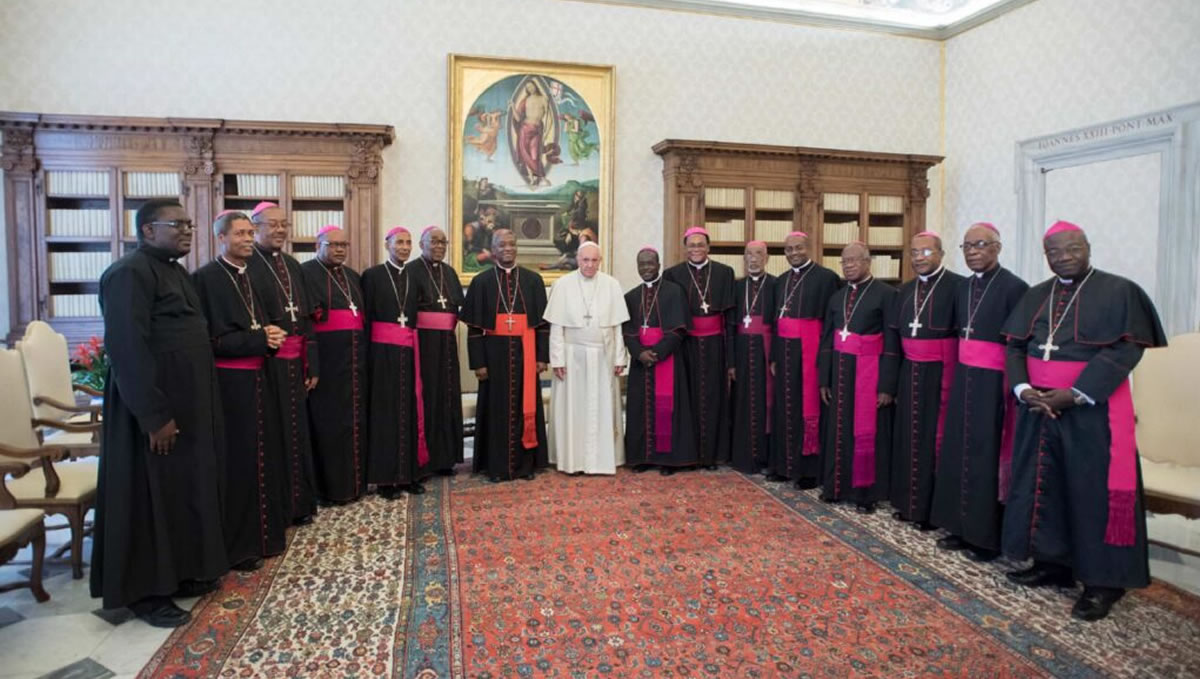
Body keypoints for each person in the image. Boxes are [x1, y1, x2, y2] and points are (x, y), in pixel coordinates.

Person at [1001, 220, 1166, 622]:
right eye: (1054, 252)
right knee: (1045, 484)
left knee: (1091, 492)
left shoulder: (1120, 291)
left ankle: (1103, 582)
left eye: (1072, 249)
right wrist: (1023, 389)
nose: (1064, 257)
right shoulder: (1037, 295)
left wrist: (1077, 393)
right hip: (1039, 407)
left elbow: (1126, 350)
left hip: (1092, 410)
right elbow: (1015, 347)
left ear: (1088, 247)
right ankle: (1052, 562)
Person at [91, 199, 226, 627]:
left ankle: (179, 573)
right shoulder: (128, 273)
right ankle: (146, 594)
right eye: (176, 224)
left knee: (177, 494)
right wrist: (154, 416)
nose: (187, 231)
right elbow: (127, 349)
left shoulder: (174, 270)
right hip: (150, 414)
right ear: (148, 230)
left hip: (184, 404)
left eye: (189, 224)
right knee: (148, 500)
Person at [192, 212, 289, 572]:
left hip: (260, 379)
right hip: (229, 387)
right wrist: (260, 338)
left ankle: (266, 535)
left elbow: (262, 325)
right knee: (239, 464)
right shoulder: (205, 279)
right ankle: (240, 546)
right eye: (240, 234)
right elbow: (210, 341)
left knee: (264, 457)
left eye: (250, 233)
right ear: (221, 238)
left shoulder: (252, 276)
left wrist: (271, 337)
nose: (248, 239)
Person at [930, 223, 1028, 562]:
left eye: (980, 245)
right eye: (967, 246)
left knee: (987, 456)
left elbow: (1018, 343)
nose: (973, 251)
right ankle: (960, 527)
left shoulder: (1015, 288)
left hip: (995, 385)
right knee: (959, 451)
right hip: (964, 379)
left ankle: (987, 537)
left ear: (997, 247)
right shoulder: (963, 287)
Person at [247, 201, 319, 526]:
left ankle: (300, 504)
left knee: (297, 433)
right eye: (272, 224)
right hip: (267, 365)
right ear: (255, 228)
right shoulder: (247, 265)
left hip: (295, 365)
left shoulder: (292, 264)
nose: (279, 230)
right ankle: (276, 509)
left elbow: (306, 320)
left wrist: (312, 363)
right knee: (273, 436)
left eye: (283, 225)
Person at [888, 231, 964, 530]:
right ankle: (909, 504)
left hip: (942, 373)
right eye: (915, 252)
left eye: (927, 252)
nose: (920, 258)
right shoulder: (904, 291)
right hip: (910, 372)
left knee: (936, 439)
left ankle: (934, 512)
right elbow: (894, 341)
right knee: (908, 436)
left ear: (941, 254)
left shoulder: (958, 287)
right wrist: (890, 383)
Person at [461, 229, 550, 482]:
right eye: (502, 245)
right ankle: (496, 467)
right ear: (493, 249)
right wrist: (478, 363)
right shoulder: (481, 282)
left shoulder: (533, 281)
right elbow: (475, 328)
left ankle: (525, 466)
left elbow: (543, 325)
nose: (508, 248)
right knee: (495, 410)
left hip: (526, 353)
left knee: (526, 406)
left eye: (512, 244)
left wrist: (542, 357)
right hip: (494, 356)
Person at [818, 242, 899, 513]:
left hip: (869, 373)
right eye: (844, 261)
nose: (849, 265)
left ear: (868, 261)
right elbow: (827, 339)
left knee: (865, 433)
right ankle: (835, 486)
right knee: (838, 431)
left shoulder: (887, 294)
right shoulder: (836, 297)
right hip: (840, 372)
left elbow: (892, 343)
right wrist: (824, 379)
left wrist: (887, 386)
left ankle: (866, 494)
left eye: (854, 260)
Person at [545, 241, 629, 474]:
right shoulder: (562, 285)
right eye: (585, 260)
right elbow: (557, 328)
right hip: (572, 357)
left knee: (603, 408)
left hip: (604, 357)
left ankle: (601, 460)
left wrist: (620, 358)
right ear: (577, 260)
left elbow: (617, 327)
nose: (590, 265)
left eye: (594, 260)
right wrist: (557, 360)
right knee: (573, 410)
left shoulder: (611, 285)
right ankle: (573, 460)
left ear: (600, 261)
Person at [767, 232, 840, 489]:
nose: (794, 253)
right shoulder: (781, 280)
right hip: (784, 352)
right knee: (784, 407)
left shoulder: (827, 278)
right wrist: (774, 355)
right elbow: (776, 322)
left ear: (809, 248)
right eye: (789, 249)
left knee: (807, 408)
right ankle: (784, 466)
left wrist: (825, 360)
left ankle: (808, 471)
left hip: (810, 352)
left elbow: (831, 324)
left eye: (798, 248)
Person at [301, 225, 368, 503]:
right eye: (333, 245)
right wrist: (311, 365)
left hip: (354, 362)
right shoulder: (305, 274)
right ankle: (328, 489)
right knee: (328, 425)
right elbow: (305, 324)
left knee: (354, 422)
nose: (340, 250)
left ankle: (355, 484)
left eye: (344, 245)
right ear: (318, 245)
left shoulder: (352, 276)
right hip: (326, 363)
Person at [663, 227, 736, 469]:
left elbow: (730, 319)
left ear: (708, 247)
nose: (696, 249)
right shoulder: (672, 274)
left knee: (715, 399)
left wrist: (731, 359)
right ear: (685, 248)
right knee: (686, 399)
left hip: (716, 346)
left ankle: (712, 456)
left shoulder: (725, 273)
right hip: (686, 346)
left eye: (700, 244)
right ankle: (689, 455)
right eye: (691, 245)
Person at [361, 227, 425, 498]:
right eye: (399, 242)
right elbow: (365, 318)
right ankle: (385, 479)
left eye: (408, 243)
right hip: (381, 354)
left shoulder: (414, 276)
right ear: (387, 244)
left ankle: (408, 475)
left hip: (408, 353)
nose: (405, 247)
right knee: (385, 414)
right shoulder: (372, 275)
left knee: (409, 411)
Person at [623, 246, 697, 475]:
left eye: (650, 263)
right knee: (640, 410)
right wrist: (639, 353)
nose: (646, 268)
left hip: (667, 359)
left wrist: (657, 352)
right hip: (640, 361)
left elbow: (679, 329)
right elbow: (628, 331)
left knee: (667, 408)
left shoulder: (674, 292)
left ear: (658, 265)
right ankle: (643, 457)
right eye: (641, 264)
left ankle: (668, 460)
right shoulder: (631, 296)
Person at [408, 226, 466, 476]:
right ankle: (423, 460)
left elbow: (459, 307)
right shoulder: (410, 271)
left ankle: (445, 459)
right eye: (434, 241)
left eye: (443, 242)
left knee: (447, 396)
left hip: (447, 344)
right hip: (422, 345)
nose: (440, 246)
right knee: (426, 397)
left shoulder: (449, 272)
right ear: (421, 244)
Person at [727, 241, 776, 474]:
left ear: (766, 258)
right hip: (742, 351)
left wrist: (775, 356)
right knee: (742, 402)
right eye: (749, 254)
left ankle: (766, 455)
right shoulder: (736, 287)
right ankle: (743, 455)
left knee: (767, 402)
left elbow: (779, 325)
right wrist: (731, 362)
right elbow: (729, 325)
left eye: (758, 254)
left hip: (766, 350)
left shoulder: (776, 285)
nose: (753, 259)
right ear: (744, 259)